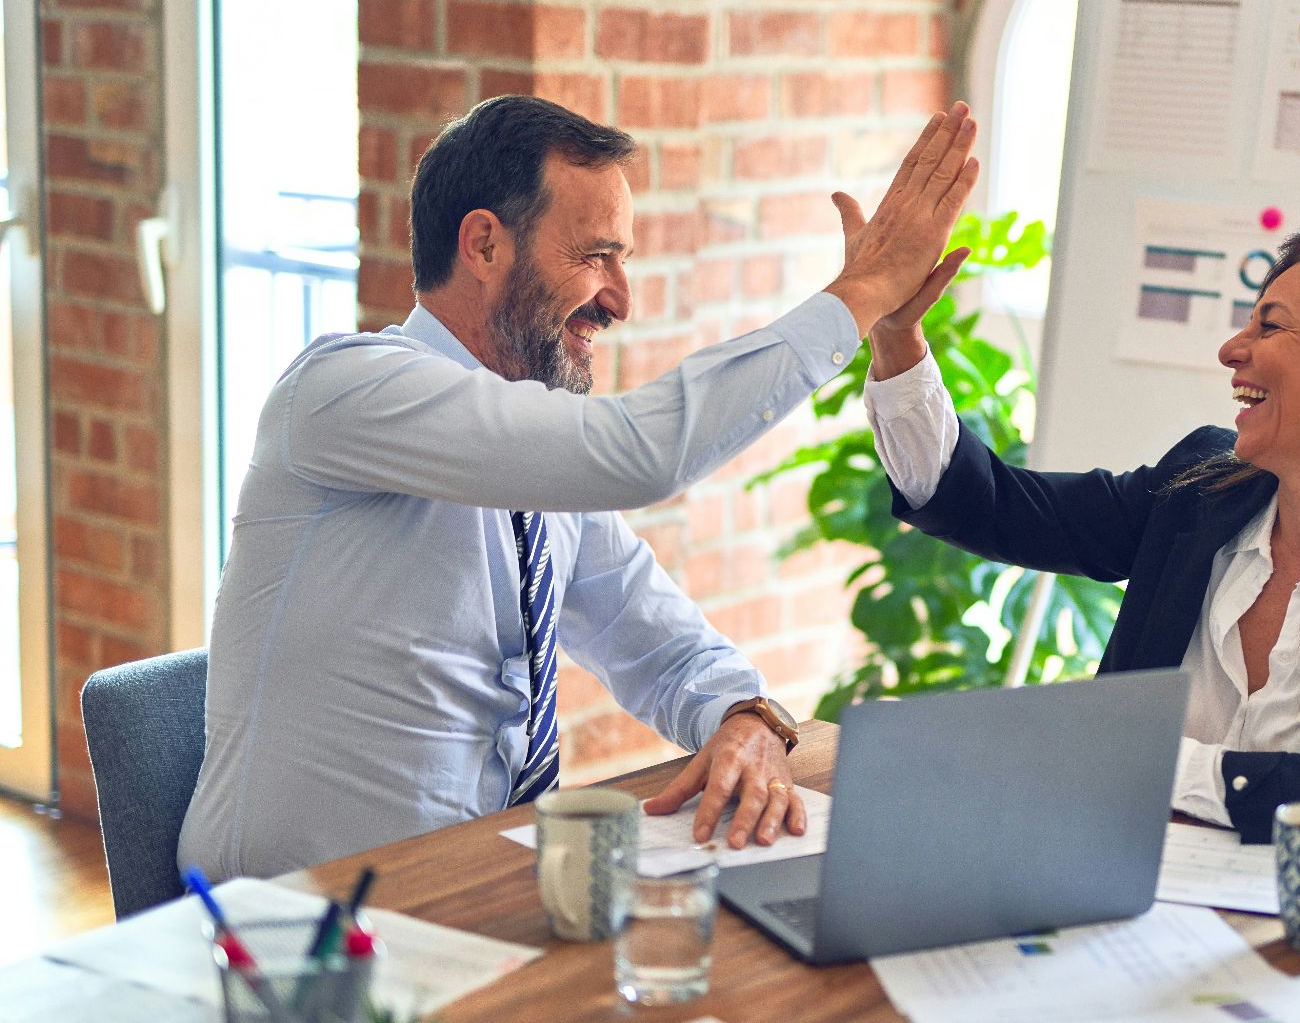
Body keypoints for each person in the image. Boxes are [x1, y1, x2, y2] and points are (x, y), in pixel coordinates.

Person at [180, 95, 978, 880]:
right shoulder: (345, 391)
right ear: (485, 245)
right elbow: (641, 454)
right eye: (597, 255)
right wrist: (863, 293)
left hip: (475, 895)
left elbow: (660, 643)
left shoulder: (536, 468)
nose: (620, 300)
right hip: (293, 934)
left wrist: (745, 716)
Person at [863, 223, 1300, 860]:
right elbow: (991, 505)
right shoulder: (1199, 492)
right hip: (1123, 892)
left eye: (1269, 325)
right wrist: (897, 339)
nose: (1232, 349)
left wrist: (1140, 761)